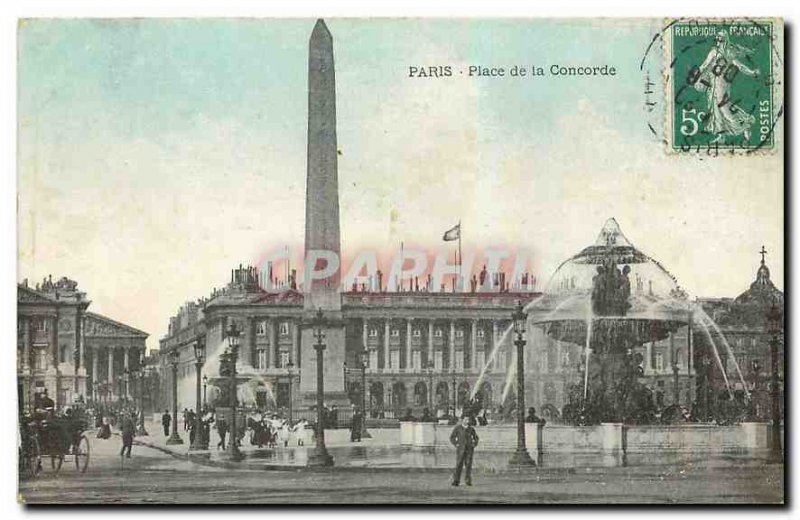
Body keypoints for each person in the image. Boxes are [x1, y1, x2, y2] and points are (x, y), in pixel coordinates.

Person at [449, 415, 479, 487]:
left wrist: (473, 444)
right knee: (459, 465)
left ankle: (468, 481)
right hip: (460, 450)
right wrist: (456, 444)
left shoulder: (471, 429)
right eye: (465, 420)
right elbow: (452, 437)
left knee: (468, 465)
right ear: (462, 420)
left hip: (469, 450)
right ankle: (456, 481)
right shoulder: (458, 428)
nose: (467, 421)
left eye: (468, 420)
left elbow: (476, 438)